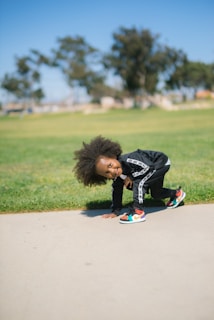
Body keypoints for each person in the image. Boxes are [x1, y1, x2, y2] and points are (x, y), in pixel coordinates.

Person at [73, 136, 186, 224]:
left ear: (112, 156)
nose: (112, 171)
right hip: (152, 169)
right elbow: (117, 191)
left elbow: (148, 167)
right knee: (156, 194)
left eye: (110, 165)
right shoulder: (117, 176)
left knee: (138, 182)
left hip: (160, 163)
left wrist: (131, 177)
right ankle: (177, 194)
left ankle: (138, 212)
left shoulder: (129, 160)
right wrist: (115, 211)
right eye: (107, 173)